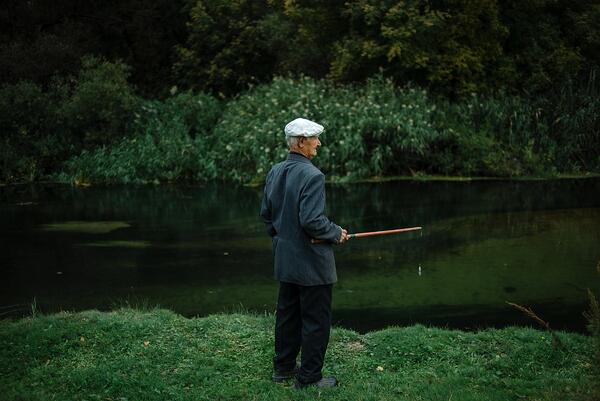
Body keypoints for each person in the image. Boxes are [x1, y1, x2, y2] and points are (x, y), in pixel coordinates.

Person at [260, 117, 349, 389]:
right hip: (311, 264)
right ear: (301, 142)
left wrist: (282, 241)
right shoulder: (313, 175)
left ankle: (283, 368)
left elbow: (266, 216)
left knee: (288, 314)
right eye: (314, 139)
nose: (318, 143)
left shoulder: (275, 170)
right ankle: (310, 378)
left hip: (285, 260)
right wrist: (336, 233)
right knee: (316, 320)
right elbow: (312, 221)